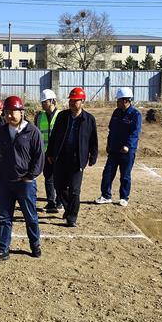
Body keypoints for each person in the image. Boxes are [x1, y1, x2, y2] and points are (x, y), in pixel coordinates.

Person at [0, 95, 44, 264]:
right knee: (4, 218)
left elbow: (39, 156)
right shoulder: (2, 131)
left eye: (13, 112)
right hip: (5, 182)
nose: (10, 115)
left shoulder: (32, 132)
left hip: (25, 183)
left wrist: (30, 176)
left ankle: (35, 244)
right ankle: (3, 249)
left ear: (22, 112)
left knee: (30, 216)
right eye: (7, 112)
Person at [46, 87, 98, 228]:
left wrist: (93, 156)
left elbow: (93, 139)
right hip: (61, 157)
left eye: (75, 101)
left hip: (78, 159)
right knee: (59, 187)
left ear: (82, 102)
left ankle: (71, 217)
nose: (72, 103)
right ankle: (69, 208)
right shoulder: (62, 116)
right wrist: (50, 153)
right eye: (71, 100)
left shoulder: (89, 119)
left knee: (75, 190)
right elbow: (53, 136)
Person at [96, 87, 142, 207]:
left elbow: (135, 133)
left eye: (119, 100)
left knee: (125, 175)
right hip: (114, 149)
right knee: (108, 173)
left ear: (126, 101)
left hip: (127, 151)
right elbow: (111, 130)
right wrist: (108, 144)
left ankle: (124, 197)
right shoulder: (116, 112)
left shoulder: (135, 114)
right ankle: (106, 196)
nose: (117, 102)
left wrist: (127, 145)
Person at [34, 88, 63, 213]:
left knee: (60, 178)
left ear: (52, 101)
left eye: (45, 102)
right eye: (42, 102)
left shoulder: (61, 115)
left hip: (58, 153)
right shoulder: (39, 116)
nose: (43, 104)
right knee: (48, 177)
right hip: (44, 153)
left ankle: (60, 202)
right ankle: (51, 202)